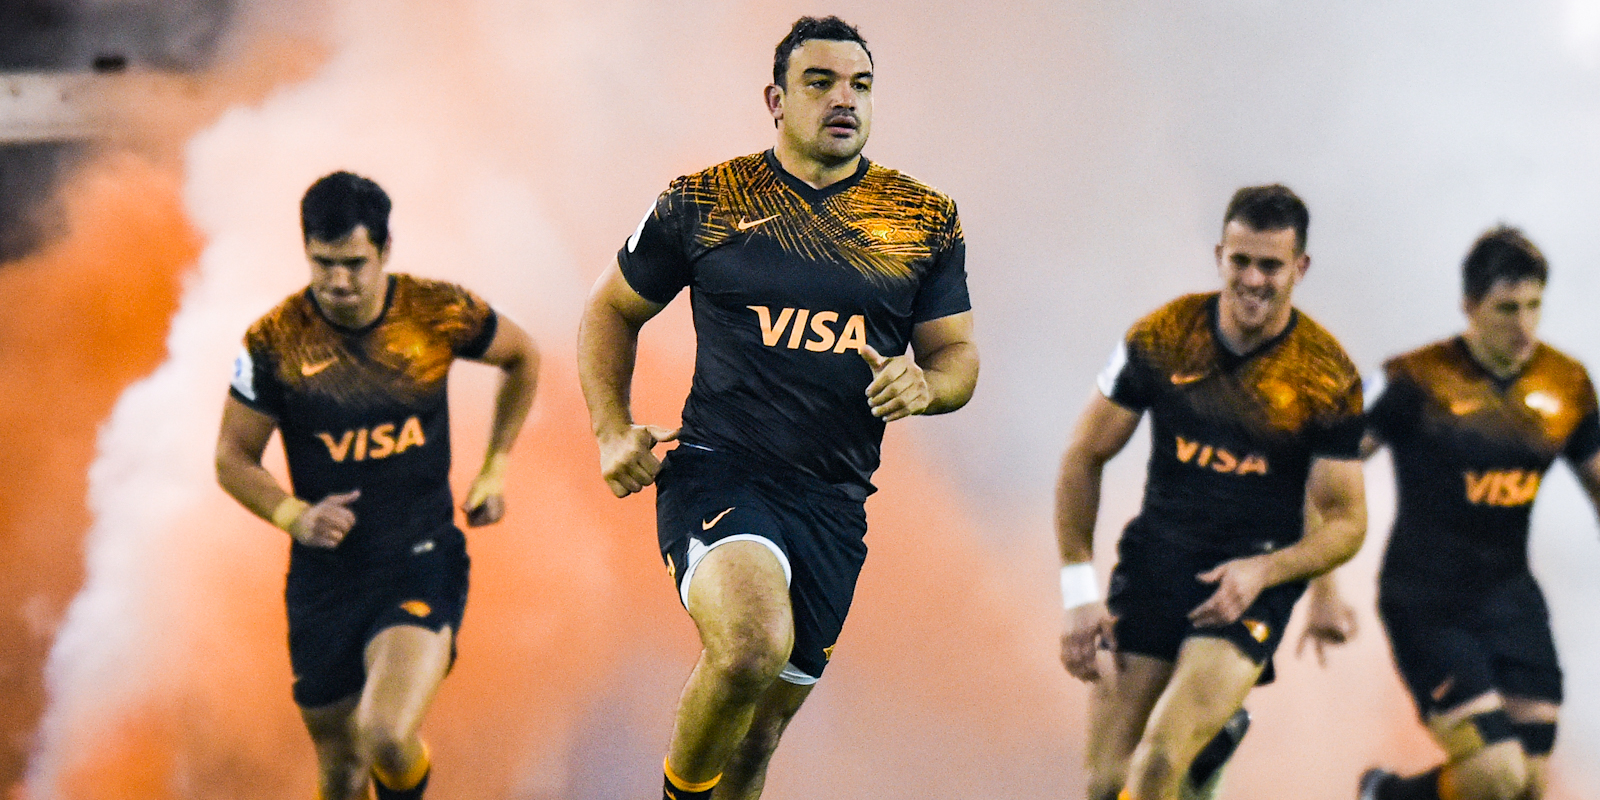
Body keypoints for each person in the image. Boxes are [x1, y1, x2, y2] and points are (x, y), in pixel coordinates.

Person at [577, 16, 978, 800]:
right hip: (721, 472)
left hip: (833, 503)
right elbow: (610, 309)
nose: (844, 100)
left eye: (860, 85)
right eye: (820, 82)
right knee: (751, 648)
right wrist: (609, 429)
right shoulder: (706, 201)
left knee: (757, 739)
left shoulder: (924, 218)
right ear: (775, 99)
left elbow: (957, 357)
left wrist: (926, 387)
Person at [214, 171, 539, 800]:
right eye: (323, 263)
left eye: (355, 264)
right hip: (324, 579)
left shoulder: (435, 311)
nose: (339, 281)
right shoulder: (272, 342)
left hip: (420, 559)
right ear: (306, 251)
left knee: (384, 734)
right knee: (341, 771)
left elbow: (523, 356)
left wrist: (495, 468)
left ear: (385, 250)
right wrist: (292, 515)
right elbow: (232, 457)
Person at [1055, 184, 1367, 800]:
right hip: (1156, 561)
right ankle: (1213, 746)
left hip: (1251, 578)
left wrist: (1274, 575)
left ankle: (1194, 749)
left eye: (1270, 266)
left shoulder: (1327, 376)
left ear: (1300, 268)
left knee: (1154, 767)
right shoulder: (1163, 337)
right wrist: (1079, 594)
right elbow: (1083, 455)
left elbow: (1346, 521)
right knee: (1106, 784)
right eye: (1240, 261)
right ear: (1220, 255)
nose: (1252, 279)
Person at [1337, 227, 1600, 800]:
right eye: (1507, 308)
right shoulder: (1414, 379)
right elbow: (1327, 467)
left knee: (1529, 785)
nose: (1524, 325)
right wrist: (1321, 585)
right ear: (1469, 306)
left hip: (1512, 600)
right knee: (1495, 774)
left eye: (1534, 305)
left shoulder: (1567, 384)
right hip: (1426, 600)